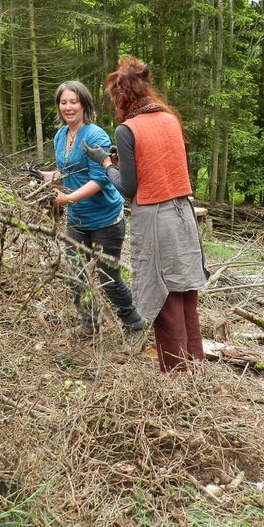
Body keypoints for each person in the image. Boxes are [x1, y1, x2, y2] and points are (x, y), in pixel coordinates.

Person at [82, 58, 208, 372]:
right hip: (184, 215)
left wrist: (105, 163)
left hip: (155, 218)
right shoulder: (169, 118)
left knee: (164, 297)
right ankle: (195, 365)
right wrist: (120, 158)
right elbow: (161, 165)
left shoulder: (128, 129)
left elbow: (128, 188)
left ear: (123, 95)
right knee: (184, 292)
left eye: (115, 96)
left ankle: (176, 376)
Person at [33, 81, 147, 336]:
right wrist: (47, 176)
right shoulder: (61, 136)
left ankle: (134, 324)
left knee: (108, 276)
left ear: (84, 105)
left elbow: (100, 179)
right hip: (77, 220)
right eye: (64, 102)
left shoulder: (96, 135)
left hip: (105, 218)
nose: (68, 107)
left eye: (73, 102)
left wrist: (65, 200)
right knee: (75, 272)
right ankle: (90, 323)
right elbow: (69, 171)